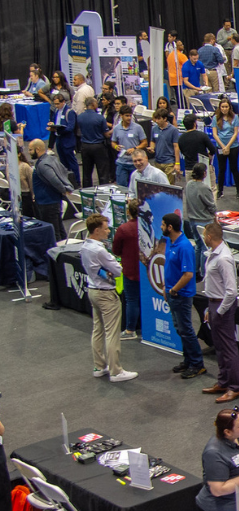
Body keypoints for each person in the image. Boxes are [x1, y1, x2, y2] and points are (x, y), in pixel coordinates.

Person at [81, 214, 137, 383]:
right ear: (96, 230)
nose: (108, 231)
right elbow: (119, 270)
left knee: (98, 330)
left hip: (93, 291)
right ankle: (115, 371)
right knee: (112, 333)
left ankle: (99, 366)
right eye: (105, 228)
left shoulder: (85, 246)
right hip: (106, 294)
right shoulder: (99, 250)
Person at [200, 221, 239, 402]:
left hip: (221, 306)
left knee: (228, 348)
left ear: (209, 237)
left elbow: (232, 291)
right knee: (219, 347)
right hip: (214, 304)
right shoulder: (214, 254)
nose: (203, 237)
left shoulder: (224, 258)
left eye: (204, 235)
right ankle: (223, 381)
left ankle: (235, 387)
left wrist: (220, 310)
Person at [159, 212, 205, 378]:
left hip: (181, 295)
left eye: (163, 225)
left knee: (186, 330)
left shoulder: (184, 246)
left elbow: (188, 275)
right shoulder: (171, 242)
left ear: (170, 227)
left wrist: (174, 290)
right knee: (180, 329)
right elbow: (171, 269)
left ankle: (197, 364)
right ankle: (188, 360)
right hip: (172, 292)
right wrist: (166, 287)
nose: (161, 227)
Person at [107, 198, 141, 340]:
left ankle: (130, 330)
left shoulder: (124, 229)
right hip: (147, 271)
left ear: (128, 212)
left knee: (131, 300)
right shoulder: (148, 227)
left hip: (130, 270)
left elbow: (115, 250)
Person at [28, 139, 73, 242]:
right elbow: (63, 171)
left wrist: (63, 190)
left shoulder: (43, 165)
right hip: (52, 201)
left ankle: (56, 255)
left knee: (53, 233)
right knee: (59, 230)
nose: (29, 152)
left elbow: (55, 181)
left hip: (48, 204)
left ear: (37, 149)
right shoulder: (51, 159)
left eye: (30, 150)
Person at [182, 163, 215, 275]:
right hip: (205, 221)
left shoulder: (189, 184)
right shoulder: (204, 188)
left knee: (198, 245)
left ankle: (195, 271)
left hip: (192, 220)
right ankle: (203, 274)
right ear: (204, 173)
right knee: (205, 249)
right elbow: (211, 205)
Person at [78, 96, 111, 186]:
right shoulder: (100, 118)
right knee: (102, 172)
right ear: (93, 104)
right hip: (98, 146)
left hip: (85, 146)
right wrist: (114, 129)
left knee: (86, 172)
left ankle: (86, 193)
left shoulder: (80, 117)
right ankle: (104, 191)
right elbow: (106, 134)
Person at [210, 100, 239, 197]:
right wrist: (223, 146)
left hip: (233, 147)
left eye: (226, 106)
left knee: (234, 168)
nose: (224, 109)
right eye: (222, 107)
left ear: (229, 107)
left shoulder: (235, 117)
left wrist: (227, 146)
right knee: (221, 169)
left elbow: (235, 133)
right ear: (220, 107)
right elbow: (215, 134)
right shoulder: (215, 118)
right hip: (220, 147)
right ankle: (220, 191)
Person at [48, 91, 80, 185]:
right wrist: (52, 126)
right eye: (55, 104)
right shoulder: (56, 111)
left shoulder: (69, 112)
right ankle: (66, 181)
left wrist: (58, 130)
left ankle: (76, 181)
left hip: (68, 140)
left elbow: (70, 127)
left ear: (63, 102)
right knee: (62, 163)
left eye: (58, 104)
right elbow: (54, 122)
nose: (56, 106)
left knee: (71, 162)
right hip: (59, 139)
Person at [177, 114, 214, 186]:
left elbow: (183, 152)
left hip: (189, 168)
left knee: (191, 190)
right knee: (210, 188)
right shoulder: (202, 135)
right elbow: (212, 149)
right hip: (203, 167)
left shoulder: (181, 138)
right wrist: (209, 156)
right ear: (194, 124)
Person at [150, 107, 182, 184]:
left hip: (169, 163)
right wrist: (152, 147)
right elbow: (152, 141)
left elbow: (176, 147)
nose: (156, 121)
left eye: (159, 119)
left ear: (165, 119)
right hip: (157, 162)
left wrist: (177, 163)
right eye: (156, 119)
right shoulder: (154, 129)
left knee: (169, 186)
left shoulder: (173, 130)